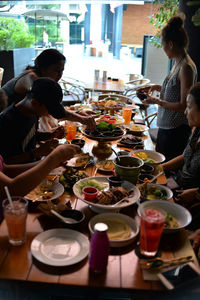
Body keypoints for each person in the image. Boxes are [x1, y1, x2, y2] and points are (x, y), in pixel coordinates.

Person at [137, 16, 197, 161]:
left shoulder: (185, 67)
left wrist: (157, 102)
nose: (163, 49)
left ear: (170, 44)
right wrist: (156, 87)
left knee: (165, 171)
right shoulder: (178, 63)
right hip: (167, 128)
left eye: (163, 44)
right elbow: (175, 90)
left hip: (175, 132)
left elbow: (183, 105)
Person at [0, 77, 95, 164]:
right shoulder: (7, 121)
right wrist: (38, 153)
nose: (49, 114)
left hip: (34, 164)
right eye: (48, 110)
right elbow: (5, 163)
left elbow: (28, 136)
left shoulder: (33, 111)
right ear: (35, 103)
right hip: (20, 176)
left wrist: (48, 135)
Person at [0, 48, 95, 130]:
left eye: (62, 71)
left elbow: (52, 108)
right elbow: (50, 109)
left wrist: (78, 113)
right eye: (56, 70)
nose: (60, 75)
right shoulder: (33, 79)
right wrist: (80, 118)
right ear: (43, 68)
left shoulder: (39, 78)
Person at [0, 143, 80, 223]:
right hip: (6, 219)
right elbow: (11, 190)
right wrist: (55, 157)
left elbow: (5, 169)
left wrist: (48, 163)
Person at [162, 82, 200, 191]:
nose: (185, 112)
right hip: (177, 184)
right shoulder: (197, 130)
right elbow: (185, 157)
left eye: (189, 107)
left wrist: (196, 194)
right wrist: (160, 167)